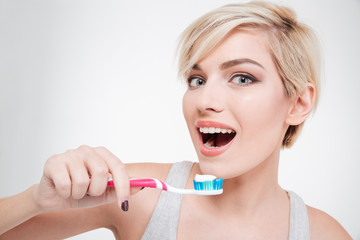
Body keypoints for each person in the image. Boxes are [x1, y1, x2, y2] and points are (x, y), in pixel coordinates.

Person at [0, 1, 352, 239]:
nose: (205, 101)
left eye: (242, 78)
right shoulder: (136, 195)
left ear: (299, 103)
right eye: (197, 81)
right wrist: (35, 199)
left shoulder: (324, 234)